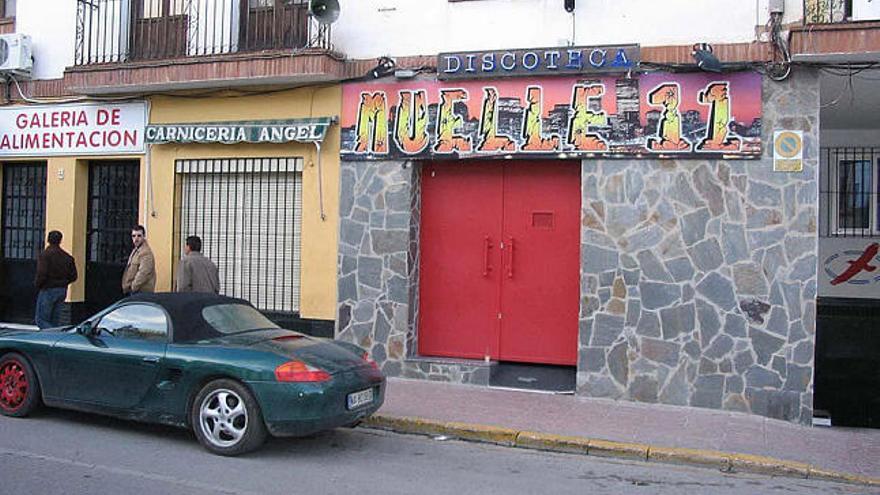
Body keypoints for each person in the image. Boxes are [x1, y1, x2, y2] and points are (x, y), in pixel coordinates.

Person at [34, 230, 77, 329]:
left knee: (41, 320)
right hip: (62, 290)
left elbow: (42, 273)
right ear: (60, 240)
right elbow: (74, 276)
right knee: (55, 319)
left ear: (48, 239)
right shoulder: (67, 257)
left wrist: (38, 285)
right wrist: (64, 283)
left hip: (48, 289)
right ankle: (53, 334)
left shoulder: (45, 255)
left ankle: (53, 335)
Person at [122, 225, 156, 295]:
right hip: (135, 291)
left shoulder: (146, 253)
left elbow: (143, 273)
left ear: (144, 236)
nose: (136, 238)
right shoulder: (136, 250)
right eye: (133, 236)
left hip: (141, 292)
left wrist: (133, 287)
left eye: (139, 236)